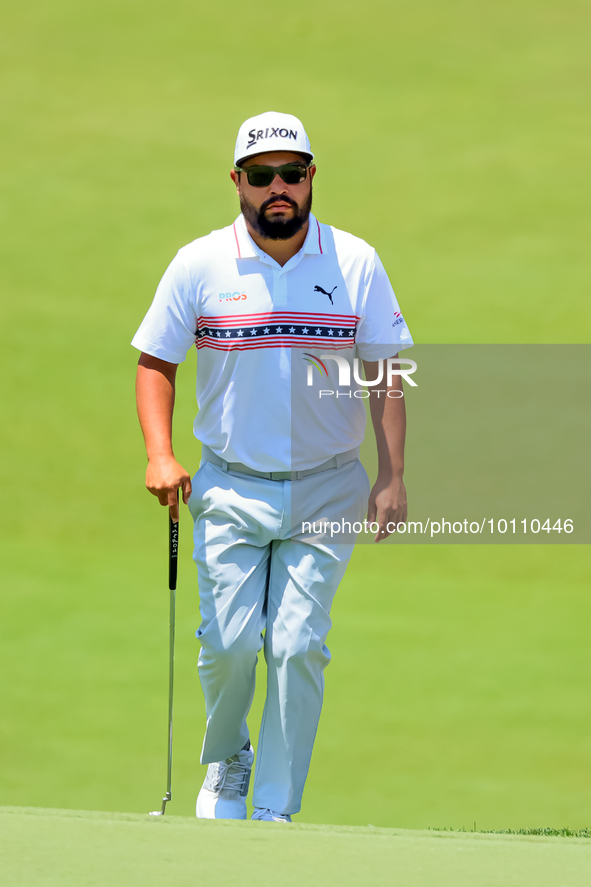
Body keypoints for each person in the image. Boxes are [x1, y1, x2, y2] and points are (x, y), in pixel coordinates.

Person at [132, 111, 413, 823]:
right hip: (229, 483)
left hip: (327, 485)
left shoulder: (354, 261)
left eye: (291, 174)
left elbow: (383, 368)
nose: (277, 189)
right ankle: (229, 757)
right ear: (238, 182)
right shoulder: (199, 263)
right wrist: (160, 453)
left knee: (295, 645)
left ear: (312, 177)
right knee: (228, 644)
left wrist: (391, 474)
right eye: (261, 177)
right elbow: (156, 361)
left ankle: (274, 810)